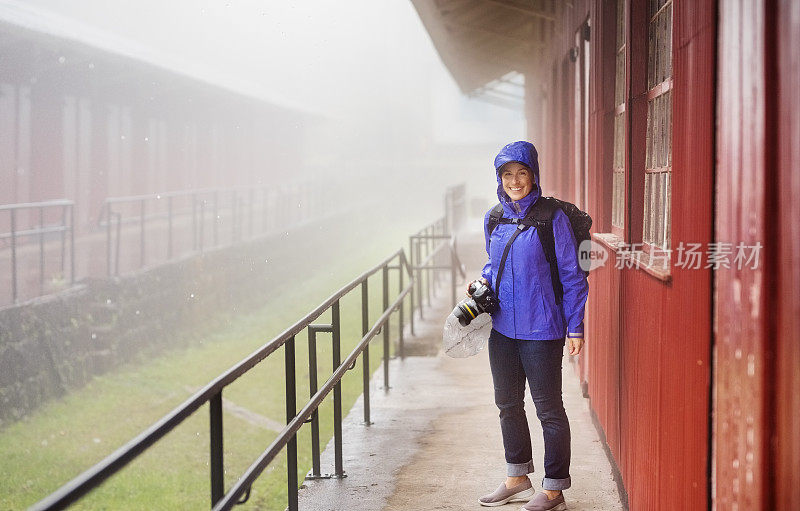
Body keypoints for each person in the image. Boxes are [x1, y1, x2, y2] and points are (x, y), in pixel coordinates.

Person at [474, 141, 588, 511]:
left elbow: (572, 275)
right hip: (503, 329)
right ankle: (517, 476)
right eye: (507, 174)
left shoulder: (550, 218)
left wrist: (575, 327)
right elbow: (493, 264)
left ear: (533, 174)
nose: (515, 180)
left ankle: (553, 489)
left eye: (521, 172)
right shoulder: (494, 217)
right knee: (507, 404)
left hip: (543, 329)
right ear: (499, 179)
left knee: (548, 409)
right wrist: (482, 282)